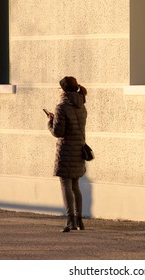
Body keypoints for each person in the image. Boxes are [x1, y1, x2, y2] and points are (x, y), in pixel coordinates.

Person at [47, 76, 88, 232]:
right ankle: (79, 221)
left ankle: (70, 221)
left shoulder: (61, 107)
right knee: (76, 186)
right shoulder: (82, 105)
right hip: (79, 149)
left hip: (65, 150)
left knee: (65, 184)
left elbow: (58, 132)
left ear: (63, 90)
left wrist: (50, 122)